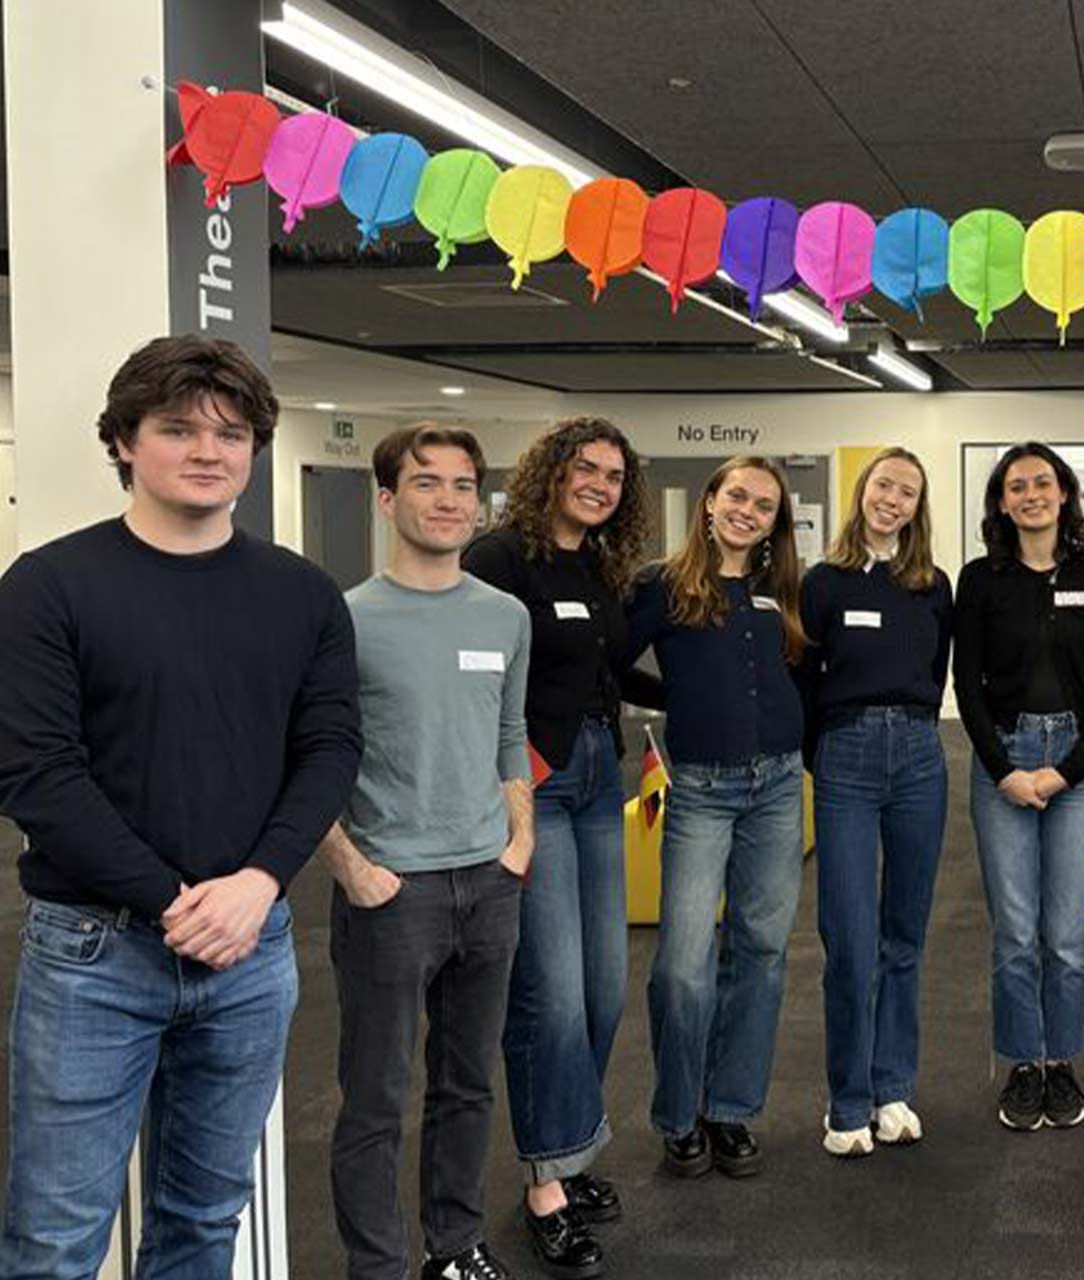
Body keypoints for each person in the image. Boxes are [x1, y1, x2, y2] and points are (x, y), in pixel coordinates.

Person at [0, 335, 361, 1276]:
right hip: (95, 951)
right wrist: (175, 900)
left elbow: (328, 752)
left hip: (251, 950)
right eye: (177, 430)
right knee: (53, 1239)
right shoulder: (49, 586)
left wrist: (257, 883)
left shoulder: (303, 595)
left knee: (204, 1223)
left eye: (232, 434)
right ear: (124, 442)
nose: (208, 451)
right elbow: (37, 774)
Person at [321, 424, 535, 1280]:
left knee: (468, 1084)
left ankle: (455, 1247)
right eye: (425, 484)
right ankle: (375, 1265)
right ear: (386, 499)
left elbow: (510, 735)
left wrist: (519, 838)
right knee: (375, 1099)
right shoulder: (344, 619)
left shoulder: (504, 614)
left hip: (491, 881)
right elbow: (313, 757)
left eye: (462, 485)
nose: (448, 501)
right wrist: (351, 867)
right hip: (390, 889)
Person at [462, 418, 647, 1277]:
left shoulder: (599, 566)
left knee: (606, 986)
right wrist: (507, 781)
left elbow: (608, 667)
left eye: (614, 476)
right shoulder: (501, 558)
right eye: (587, 470)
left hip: (599, 776)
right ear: (552, 473)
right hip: (533, 786)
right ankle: (547, 1181)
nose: (601, 486)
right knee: (552, 994)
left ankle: (570, 1145)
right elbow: (477, 676)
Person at [623, 456, 810, 1180]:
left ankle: (730, 1108)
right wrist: (681, 701)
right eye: (738, 495)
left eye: (764, 505)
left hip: (777, 785)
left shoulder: (780, 588)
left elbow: (798, 672)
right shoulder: (662, 584)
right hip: (701, 787)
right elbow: (611, 660)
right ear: (709, 501)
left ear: (774, 522)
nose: (748, 510)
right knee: (683, 964)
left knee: (760, 953)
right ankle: (678, 1114)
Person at [954, 442, 1084, 1133]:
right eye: (1017, 485)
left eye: (1043, 483)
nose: (1031, 494)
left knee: (1066, 936)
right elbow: (965, 682)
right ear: (1001, 501)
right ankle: (1024, 1063)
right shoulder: (981, 579)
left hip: (1075, 766)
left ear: (1064, 495)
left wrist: (1073, 768)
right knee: (1015, 934)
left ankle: (1063, 1063)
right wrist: (1004, 770)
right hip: (1005, 757)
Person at [798, 448, 953, 1157]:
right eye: (884, 485)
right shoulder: (823, 583)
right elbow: (804, 678)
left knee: (905, 937)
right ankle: (848, 1100)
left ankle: (893, 1087)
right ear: (863, 491)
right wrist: (821, 755)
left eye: (908, 492)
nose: (893, 499)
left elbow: (933, 671)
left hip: (920, 753)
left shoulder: (933, 586)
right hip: (848, 756)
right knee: (851, 941)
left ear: (919, 508)